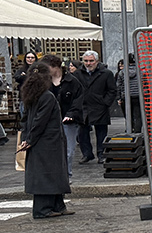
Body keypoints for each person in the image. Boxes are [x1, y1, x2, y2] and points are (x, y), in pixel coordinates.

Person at [17, 62, 72, 219]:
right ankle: (43, 209)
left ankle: (58, 205)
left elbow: (26, 119)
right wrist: (30, 138)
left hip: (43, 140)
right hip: (48, 141)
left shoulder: (32, 96)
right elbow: (40, 121)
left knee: (53, 174)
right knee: (47, 174)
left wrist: (27, 138)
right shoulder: (47, 96)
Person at [74, 50, 118, 165]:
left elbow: (112, 90)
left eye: (91, 61)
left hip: (99, 106)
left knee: (101, 132)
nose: (88, 63)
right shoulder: (78, 74)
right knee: (82, 133)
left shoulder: (106, 73)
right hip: (83, 107)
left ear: (97, 61)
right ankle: (87, 154)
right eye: (86, 61)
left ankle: (102, 154)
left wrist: (105, 102)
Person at [41, 54, 81, 175]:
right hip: (49, 120)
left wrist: (71, 113)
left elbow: (78, 99)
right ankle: (55, 175)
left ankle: (66, 174)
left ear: (55, 67)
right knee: (51, 149)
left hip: (68, 119)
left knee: (68, 150)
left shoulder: (72, 81)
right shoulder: (44, 82)